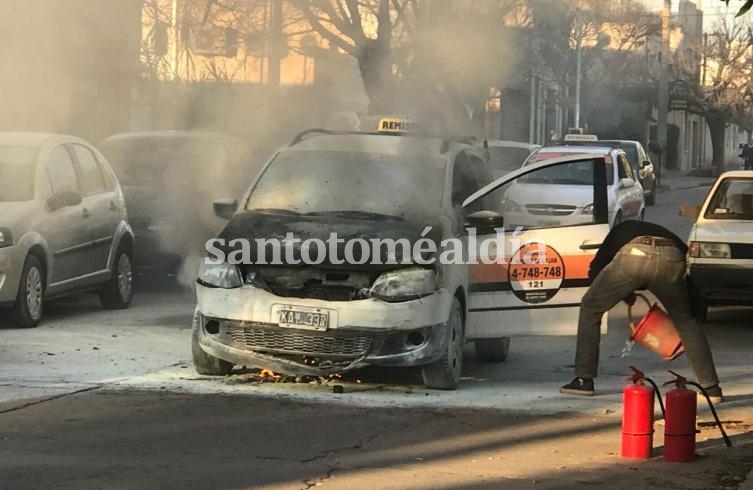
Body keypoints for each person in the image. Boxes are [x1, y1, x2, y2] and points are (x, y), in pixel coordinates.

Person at [559, 220, 723, 404]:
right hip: (672, 257)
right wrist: (693, 312)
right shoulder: (667, 234)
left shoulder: (619, 232)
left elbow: (596, 270)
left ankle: (583, 380)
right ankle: (711, 389)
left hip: (634, 255)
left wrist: (624, 293)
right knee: (686, 322)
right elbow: (685, 276)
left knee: (590, 307)